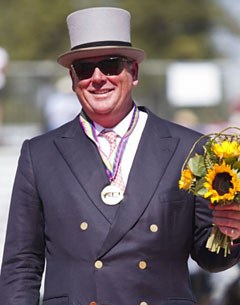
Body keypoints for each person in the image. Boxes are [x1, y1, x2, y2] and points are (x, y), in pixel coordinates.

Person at [0, 7, 240, 305]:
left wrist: (231, 231)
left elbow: (210, 257)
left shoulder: (189, 148)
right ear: (73, 79)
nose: (98, 78)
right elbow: (21, 266)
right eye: (85, 70)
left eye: (111, 65)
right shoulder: (39, 155)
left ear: (134, 72)